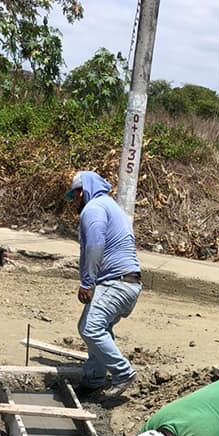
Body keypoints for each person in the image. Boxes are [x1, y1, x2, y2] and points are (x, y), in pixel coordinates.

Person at [67, 170, 142, 399]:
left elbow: (95, 245)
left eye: (74, 196)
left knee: (89, 328)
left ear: (82, 192)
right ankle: (93, 380)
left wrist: (87, 283)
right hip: (127, 283)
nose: (74, 201)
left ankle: (123, 373)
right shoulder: (109, 205)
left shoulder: (94, 208)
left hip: (117, 283)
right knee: (102, 328)